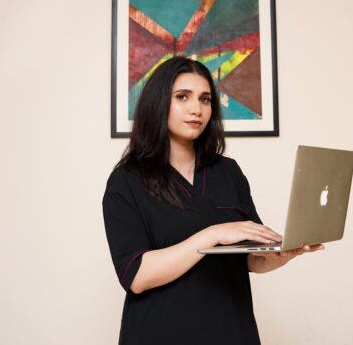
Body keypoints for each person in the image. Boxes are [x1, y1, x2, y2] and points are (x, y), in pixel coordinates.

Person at [103, 56, 323, 345]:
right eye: (183, 97)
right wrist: (213, 235)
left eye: (205, 99)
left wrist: (278, 256)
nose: (197, 109)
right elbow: (136, 276)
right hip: (160, 333)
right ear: (158, 101)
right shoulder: (126, 181)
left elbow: (250, 259)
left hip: (231, 331)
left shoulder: (228, 172)